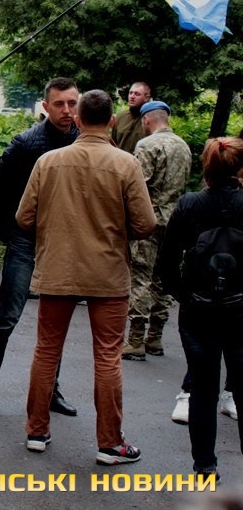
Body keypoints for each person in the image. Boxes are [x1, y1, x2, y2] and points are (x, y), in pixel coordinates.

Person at [18, 89, 156, 462]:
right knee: (108, 356)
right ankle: (110, 442)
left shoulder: (48, 162)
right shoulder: (126, 164)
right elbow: (145, 223)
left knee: (47, 350)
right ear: (111, 121)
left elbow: (24, 217)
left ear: (78, 120)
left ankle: (36, 430)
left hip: (58, 268)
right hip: (107, 273)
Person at [0, 77, 80, 417]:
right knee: (8, 314)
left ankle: (50, 389)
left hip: (63, 241)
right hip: (25, 236)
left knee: (56, 322)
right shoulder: (27, 143)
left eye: (72, 103)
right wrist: (5, 230)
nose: (67, 110)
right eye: (59, 104)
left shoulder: (83, 140)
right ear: (45, 107)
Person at [157, 137, 243, 481]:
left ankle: (205, 466)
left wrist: (185, 294)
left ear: (206, 167)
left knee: (203, 390)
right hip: (240, 310)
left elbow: (166, 262)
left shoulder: (190, 204)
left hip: (199, 310)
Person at [122, 100, 191, 360]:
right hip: (175, 220)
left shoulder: (146, 145)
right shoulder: (183, 146)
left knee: (141, 277)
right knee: (164, 278)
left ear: (147, 120)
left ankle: (135, 339)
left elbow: (138, 185)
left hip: (149, 219)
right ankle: (155, 336)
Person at [112, 81, 152, 152]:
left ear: (146, 98)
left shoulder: (151, 119)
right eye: (130, 93)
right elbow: (113, 144)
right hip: (120, 158)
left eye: (137, 94)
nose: (132, 96)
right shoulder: (120, 117)